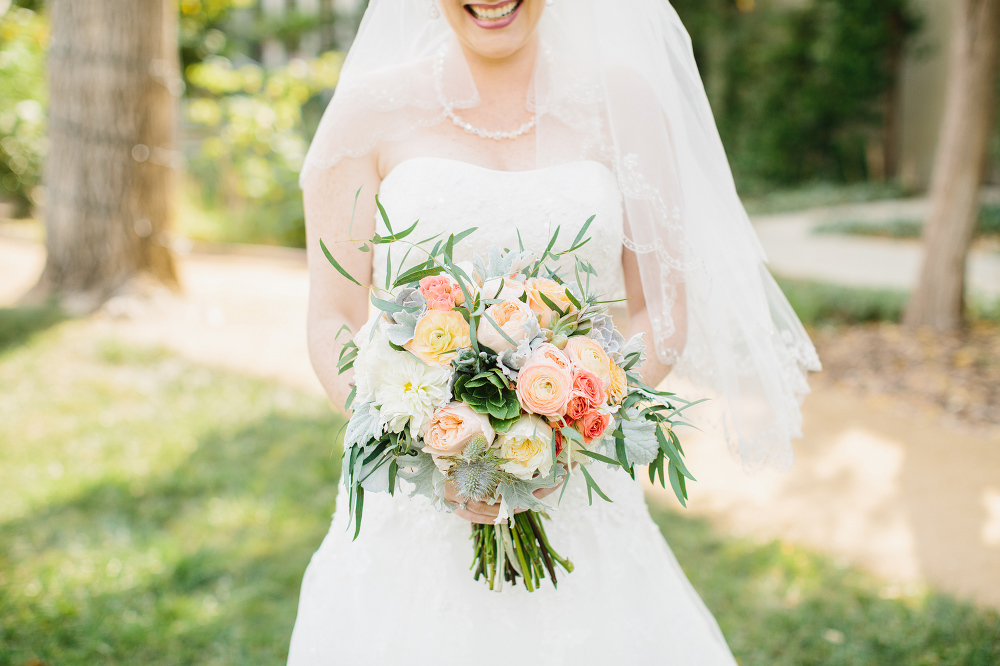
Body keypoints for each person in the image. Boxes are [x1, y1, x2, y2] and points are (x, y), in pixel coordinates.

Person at [288, 1, 820, 663]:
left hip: (579, 488)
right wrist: (416, 438)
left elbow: (662, 314)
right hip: (417, 504)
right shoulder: (367, 111)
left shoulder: (625, 104)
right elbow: (331, 317)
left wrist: (568, 425)